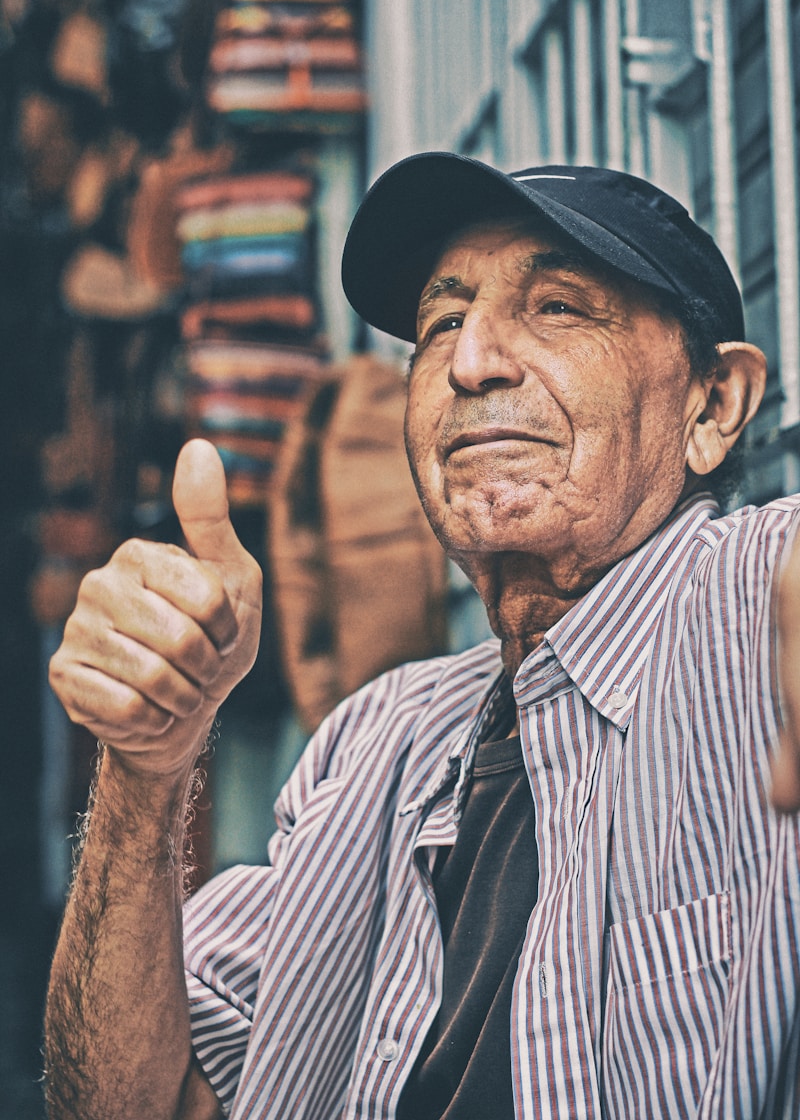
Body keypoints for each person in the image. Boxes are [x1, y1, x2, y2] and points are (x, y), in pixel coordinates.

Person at [44, 153, 800, 1120]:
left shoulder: (751, 607)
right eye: (441, 323)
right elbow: (125, 1105)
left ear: (714, 406)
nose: (473, 359)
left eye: (561, 308)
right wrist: (146, 774)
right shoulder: (374, 745)